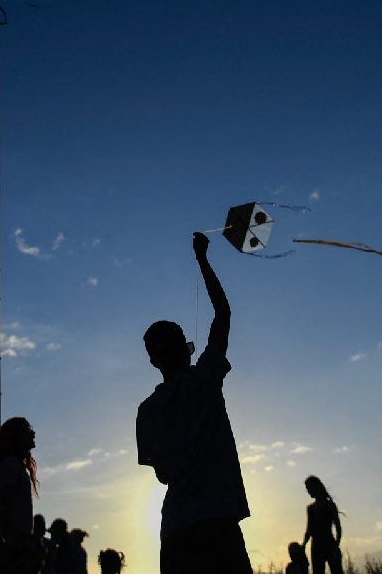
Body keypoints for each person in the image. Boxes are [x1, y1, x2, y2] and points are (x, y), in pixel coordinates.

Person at [136, 232, 253, 574]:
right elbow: (223, 313)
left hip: (175, 533)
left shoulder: (146, 411)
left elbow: (162, 475)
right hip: (218, 523)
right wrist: (202, 259)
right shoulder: (203, 379)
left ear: (154, 361)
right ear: (183, 350)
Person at [0, 416, 39, 544]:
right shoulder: (11, 464)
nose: (33, 433)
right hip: (16, 541)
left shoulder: (16, 465)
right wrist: (10, 537)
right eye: (27, 429)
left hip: (18, 539)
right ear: (17, 437)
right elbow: (7, 502)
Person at [302, 476, 344, 574]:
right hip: (316, 546)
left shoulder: (329, 505)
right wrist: (303, 545)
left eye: (309, 488)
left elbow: (338, 528)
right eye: (307, 489)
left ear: (316, 487)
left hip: (329, 543)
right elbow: (309, 529)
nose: (309, 492)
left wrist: (336, 546)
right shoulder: (310, 508)